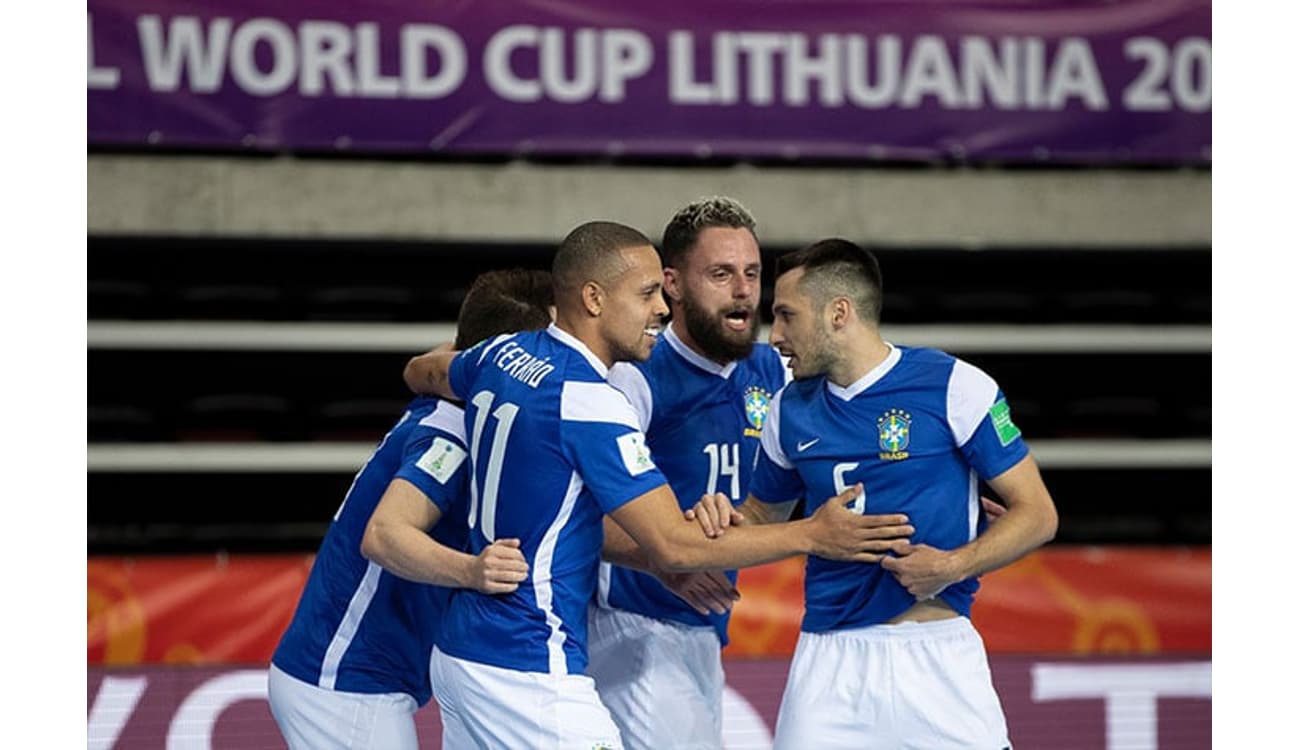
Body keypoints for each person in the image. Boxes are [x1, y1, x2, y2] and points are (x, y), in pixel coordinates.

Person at [407, 220, 914, 749]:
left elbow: (428, 372)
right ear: (595, 299)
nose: (661, 309)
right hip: (547, 648)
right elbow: (671, 544)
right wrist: (813, 534)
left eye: (752, 274)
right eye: (649, 293)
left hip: (469, 648)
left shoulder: (503, 355)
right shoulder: (597, 398)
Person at [691, 238, 1059, 749]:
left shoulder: (956, 386)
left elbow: (1038, 514)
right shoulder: (787, 409)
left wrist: (955, 564)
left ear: (838, 313)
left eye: (787, 316)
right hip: (830, 660)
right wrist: (719, 518)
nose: (774, 336)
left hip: (938, 656)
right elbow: (760, 515)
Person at [267, 268, 553, 750]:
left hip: (354, 679)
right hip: (346, 685)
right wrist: (474, 570)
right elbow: (382, 536)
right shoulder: (454, 434)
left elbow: (447, 353)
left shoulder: (466, 397)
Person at [585, 196, 788, 749]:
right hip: (631, 624)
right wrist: (661, 558)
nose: (744, 290)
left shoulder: (771, 370)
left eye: (751, 273)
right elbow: (578, 508)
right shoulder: (636, 378)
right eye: (720, 274)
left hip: (702, 626)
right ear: (671, 284)